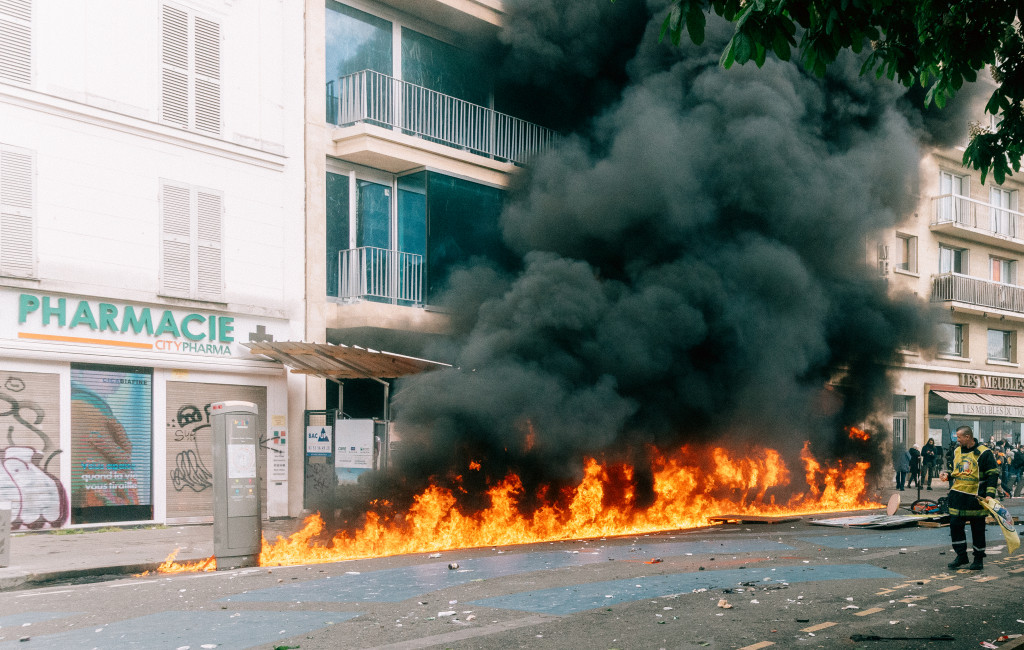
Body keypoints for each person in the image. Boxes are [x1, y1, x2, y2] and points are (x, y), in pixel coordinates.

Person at [940, 426, 999, 571]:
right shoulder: (956, 451)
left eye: (959, 437)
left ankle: (978, 559)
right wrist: (947, 474)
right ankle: (961, 556)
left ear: (967, 437)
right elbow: (957, 471)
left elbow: (993, 473)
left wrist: (990, 495)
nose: (957, 440)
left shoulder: (984, 453)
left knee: (977, 529)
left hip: (976, 497)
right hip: (958, 496)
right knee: (955, 526)